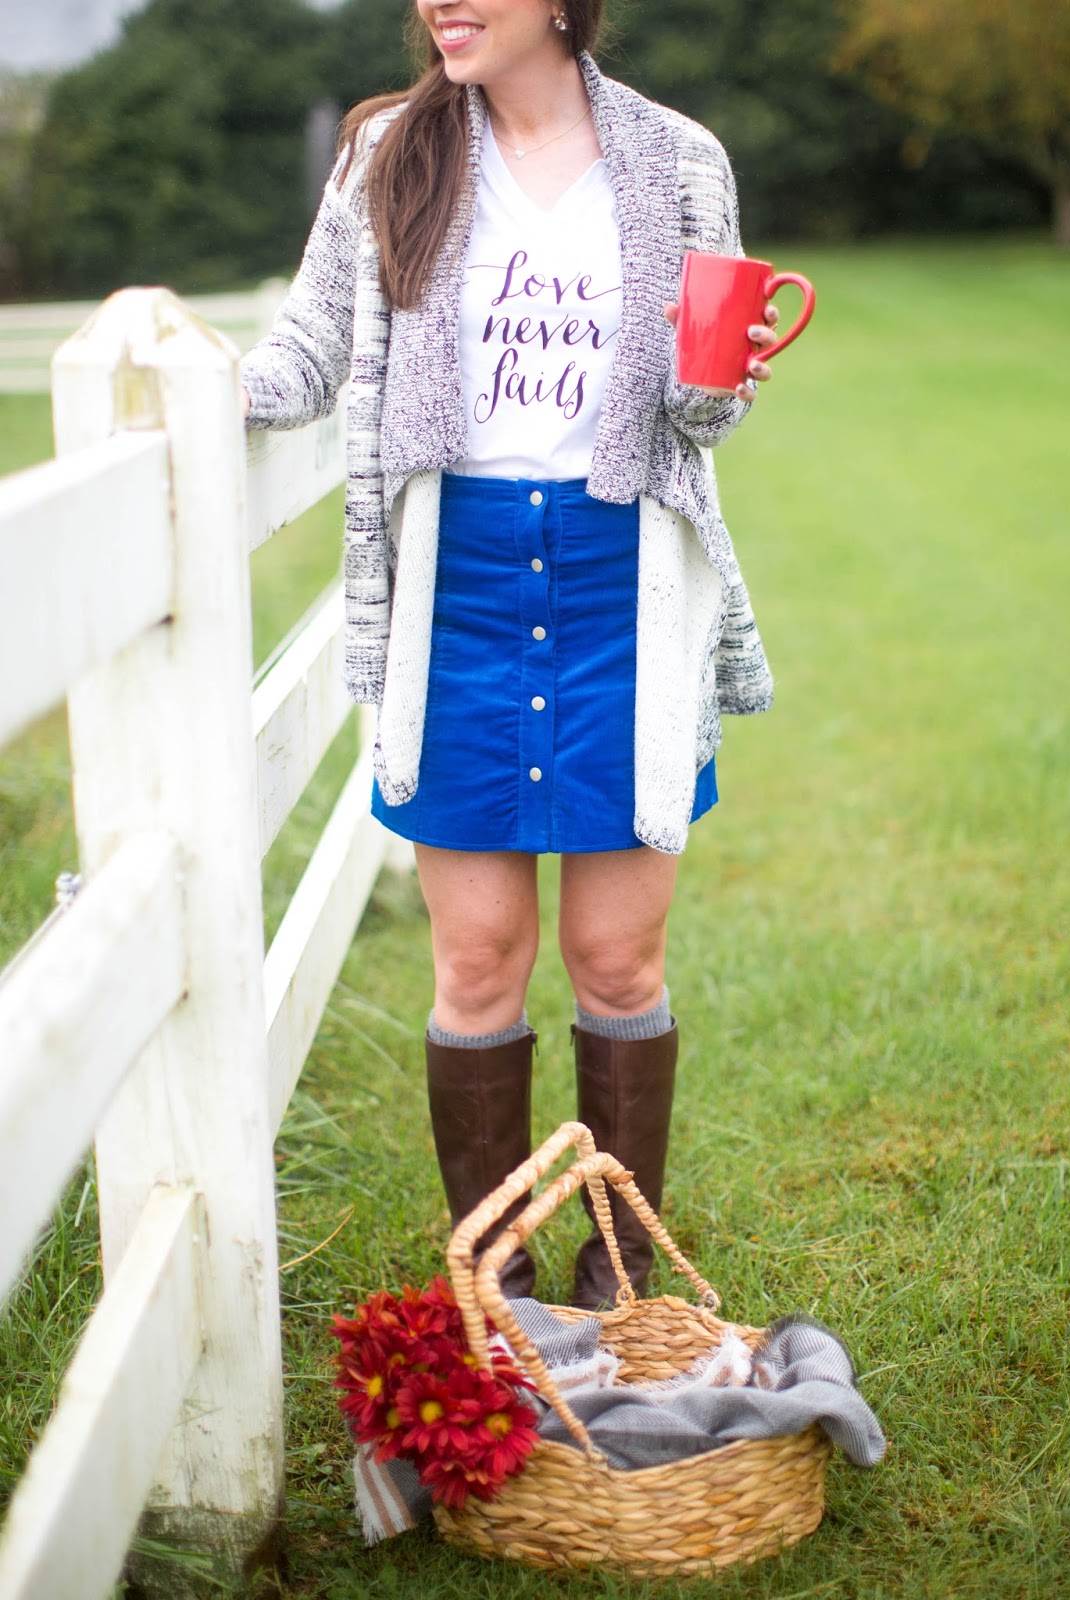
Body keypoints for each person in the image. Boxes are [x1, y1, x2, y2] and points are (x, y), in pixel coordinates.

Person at [239, 0, 779, 1311]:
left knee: (616, 961)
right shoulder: (392, 153)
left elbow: (702, 409)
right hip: (455, 599)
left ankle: (619, 1273)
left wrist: (732, 373)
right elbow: (305, 354)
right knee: (476, 956)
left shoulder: (678, 159)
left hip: (623, 596)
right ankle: (505, 1284)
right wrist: (195, 393)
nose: (441, 1)